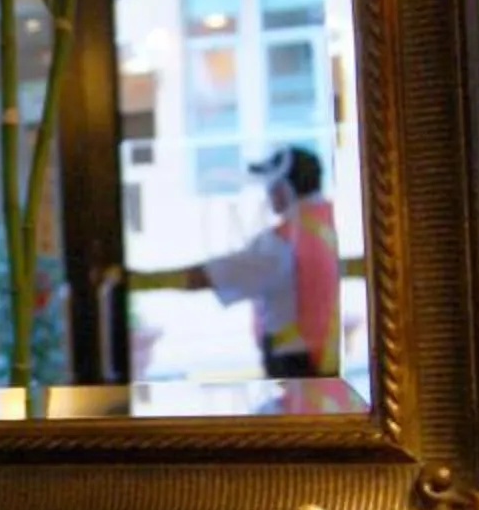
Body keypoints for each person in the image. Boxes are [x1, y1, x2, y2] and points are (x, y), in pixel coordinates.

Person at [131, 145, 341, 379]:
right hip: (323, 357)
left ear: (284, 187)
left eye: (270, 184)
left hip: (296, 364)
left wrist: (143, 280)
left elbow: (214, 275)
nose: (267, 192)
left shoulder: (281, 242)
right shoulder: (324, 226)